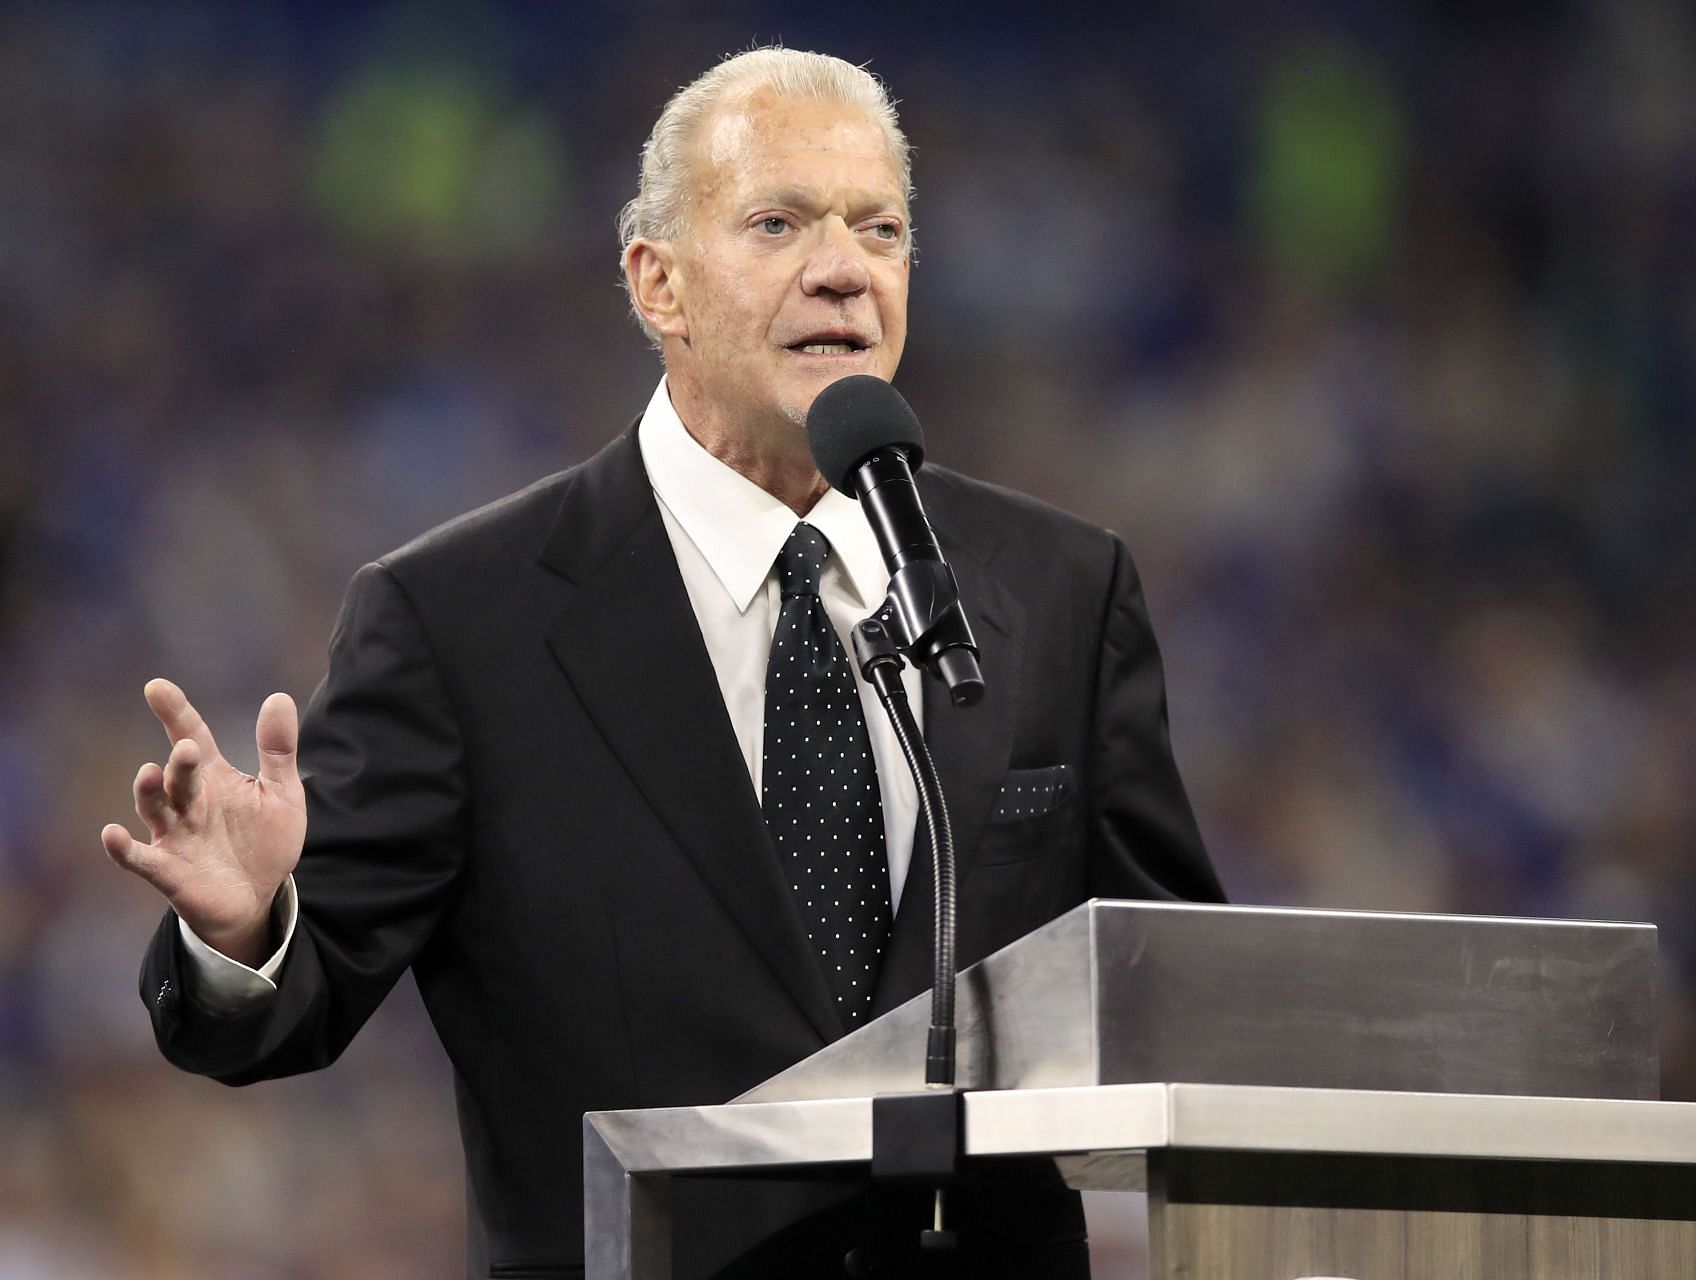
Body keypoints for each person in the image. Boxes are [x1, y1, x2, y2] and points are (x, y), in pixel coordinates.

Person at [104, 47, 1222, 1279]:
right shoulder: (458, 620)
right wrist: (243, 926)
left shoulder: (1059, 588)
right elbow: (289, 1006)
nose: (843, 266)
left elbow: (1184, 989)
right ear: (660, 285)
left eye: (880, 227)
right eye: (779, 222)